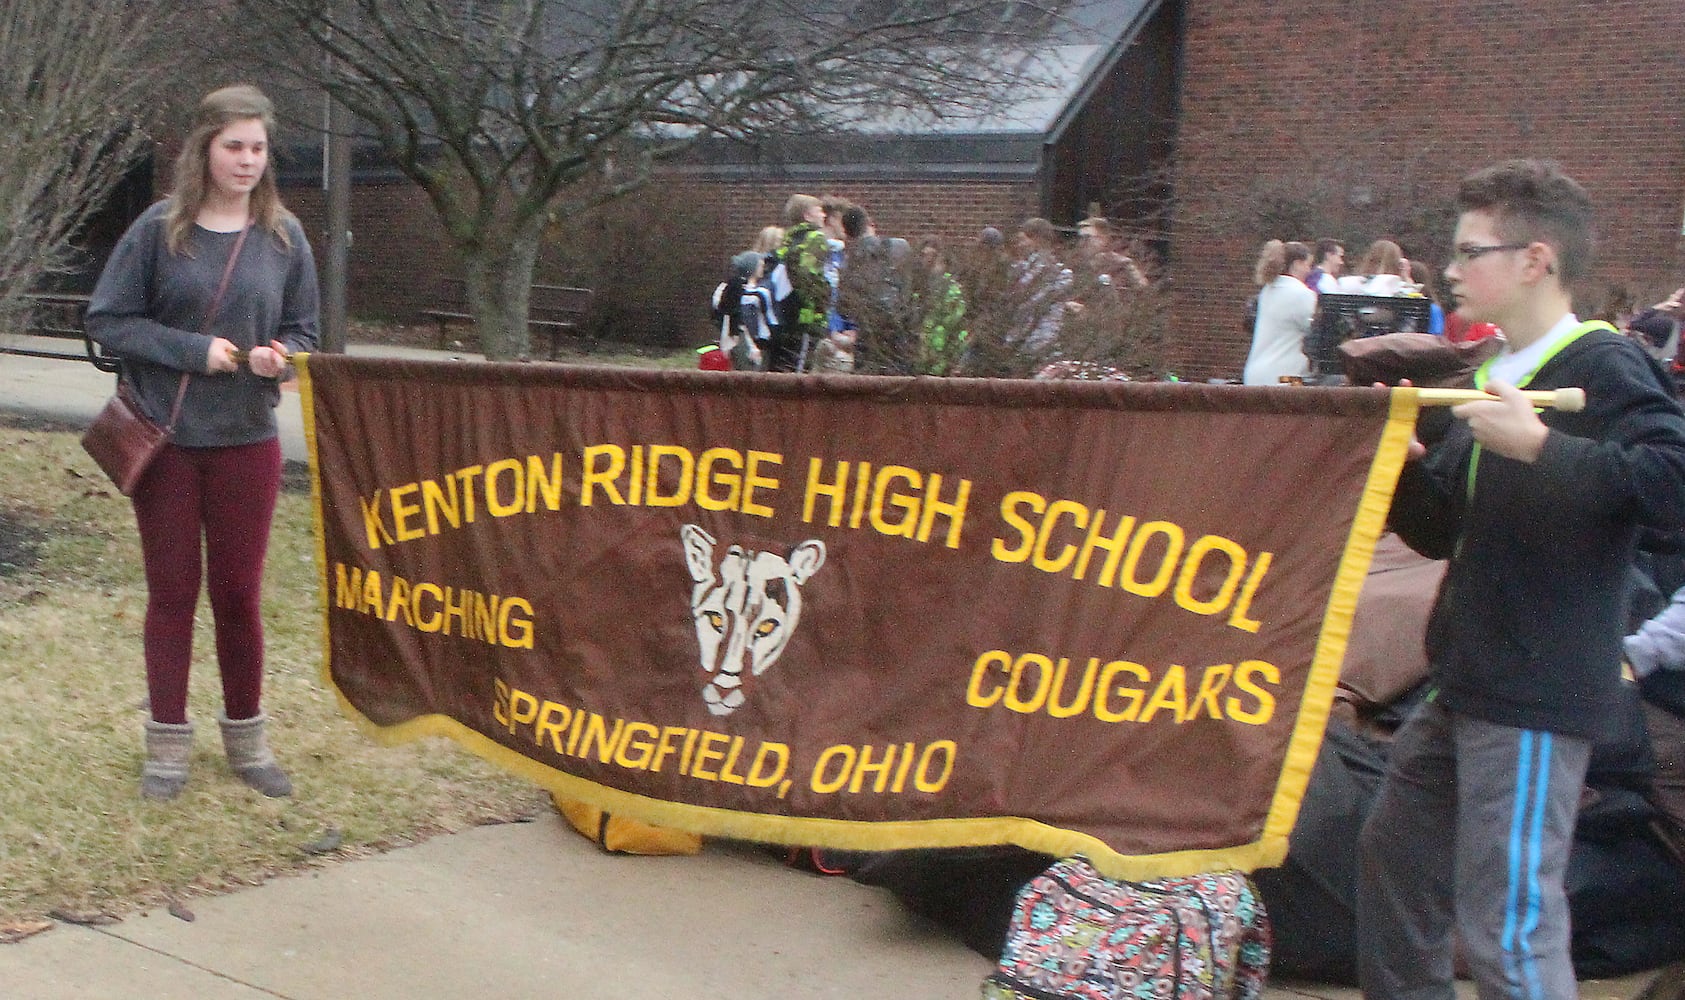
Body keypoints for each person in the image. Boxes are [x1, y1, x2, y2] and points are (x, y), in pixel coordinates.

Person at [1358, 159, 1685, 1000]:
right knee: (1394, 867)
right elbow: (1442, 534)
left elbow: (1672, 486)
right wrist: (1395, 470)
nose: (1451, 269)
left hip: (1535, 689)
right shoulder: (1491, 374)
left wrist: (1542, 447)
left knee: (1505, 925)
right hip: (1463, 677)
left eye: (1470, 251)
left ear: (1534, 259)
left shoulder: (1605, 365)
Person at [85, 84, 319, 801]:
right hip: (170, 441)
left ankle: (248, 742)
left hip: (247, 442)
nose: (248, 161)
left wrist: (282, 354)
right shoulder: (160, 230)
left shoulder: (285, 236)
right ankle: (167, 749)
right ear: (204, 149)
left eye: (258, 148)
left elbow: (308, 331)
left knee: (239, 596)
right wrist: (194, 350)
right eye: (234, 147)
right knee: (172, 594)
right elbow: (109, 320)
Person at [770, 194, 830, 372]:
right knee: (801, 371)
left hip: (784, 313)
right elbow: (808, 275)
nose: (824, 215)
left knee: (784, 368)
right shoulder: (815, 238)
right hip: (807, 317)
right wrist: (822, 299)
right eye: (819, 211)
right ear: (807, 216)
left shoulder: (789, 240)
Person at [1242, 239, 1315, 385]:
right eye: (1308, 264)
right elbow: (1313, 330)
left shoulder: (1267, 290)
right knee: (1297, 406)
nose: (1309, 270)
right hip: (1286, 377)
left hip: (1254, 374)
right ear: (1297, 264)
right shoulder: (1302, 294)